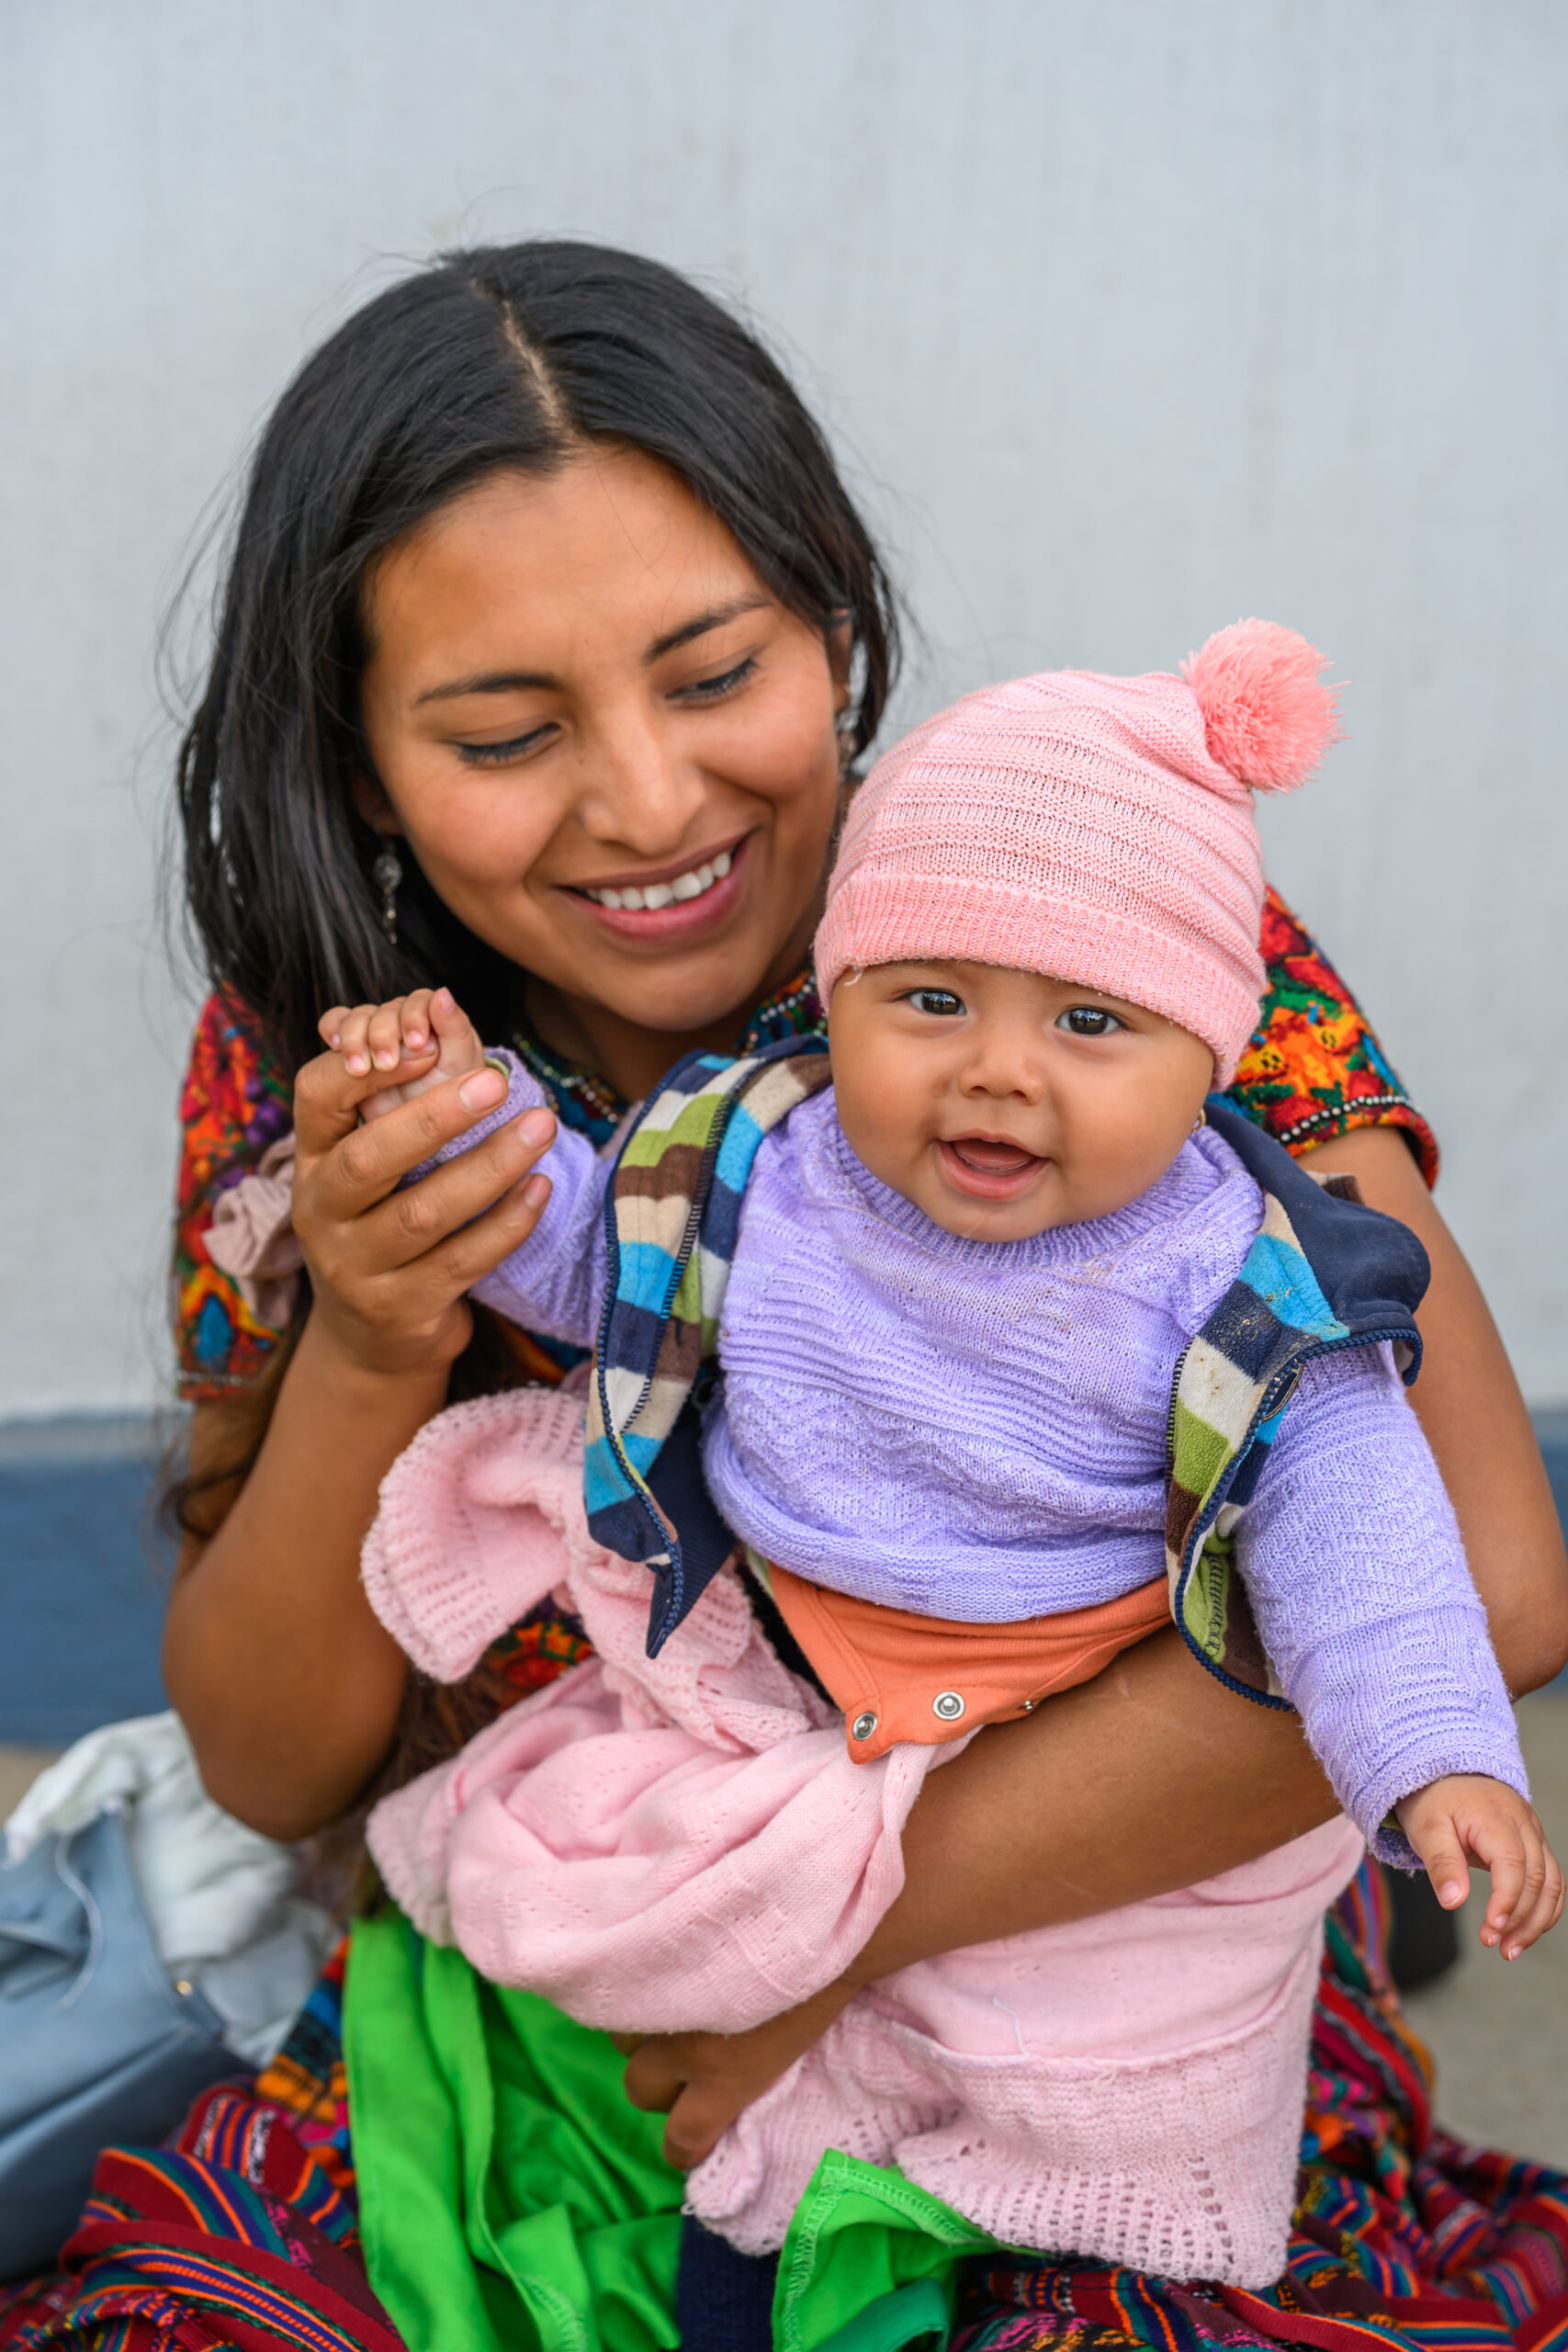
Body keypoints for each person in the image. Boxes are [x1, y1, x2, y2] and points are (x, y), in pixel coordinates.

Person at [5, 242, 1565, 2352]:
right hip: (561, 1973)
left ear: (833, 627)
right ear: (362, 765)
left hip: (1075, 1957)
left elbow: (1470, 1575)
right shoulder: (343, 1058)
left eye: (712, 670)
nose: (648, 801)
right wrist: (377, 1340)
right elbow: (278, 1765)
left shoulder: (1080, 916)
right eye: (501, 729)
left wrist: (803, 1938)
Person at [327, 625, 1558, 2293]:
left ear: (1214, 1052)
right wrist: (463, 1135)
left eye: (1091, 1022)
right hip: (785, 1675)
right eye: (929, 999)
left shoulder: (1246, 1281)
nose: (997, 1065)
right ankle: (757, 2251)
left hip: (1067, 1727)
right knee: (639, 1928)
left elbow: (1370, 1544)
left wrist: (1439, 1760)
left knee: (1079, 2048)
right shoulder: (778, 1159)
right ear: (838, 999)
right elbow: (588, 1255)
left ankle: (1018, 2216)